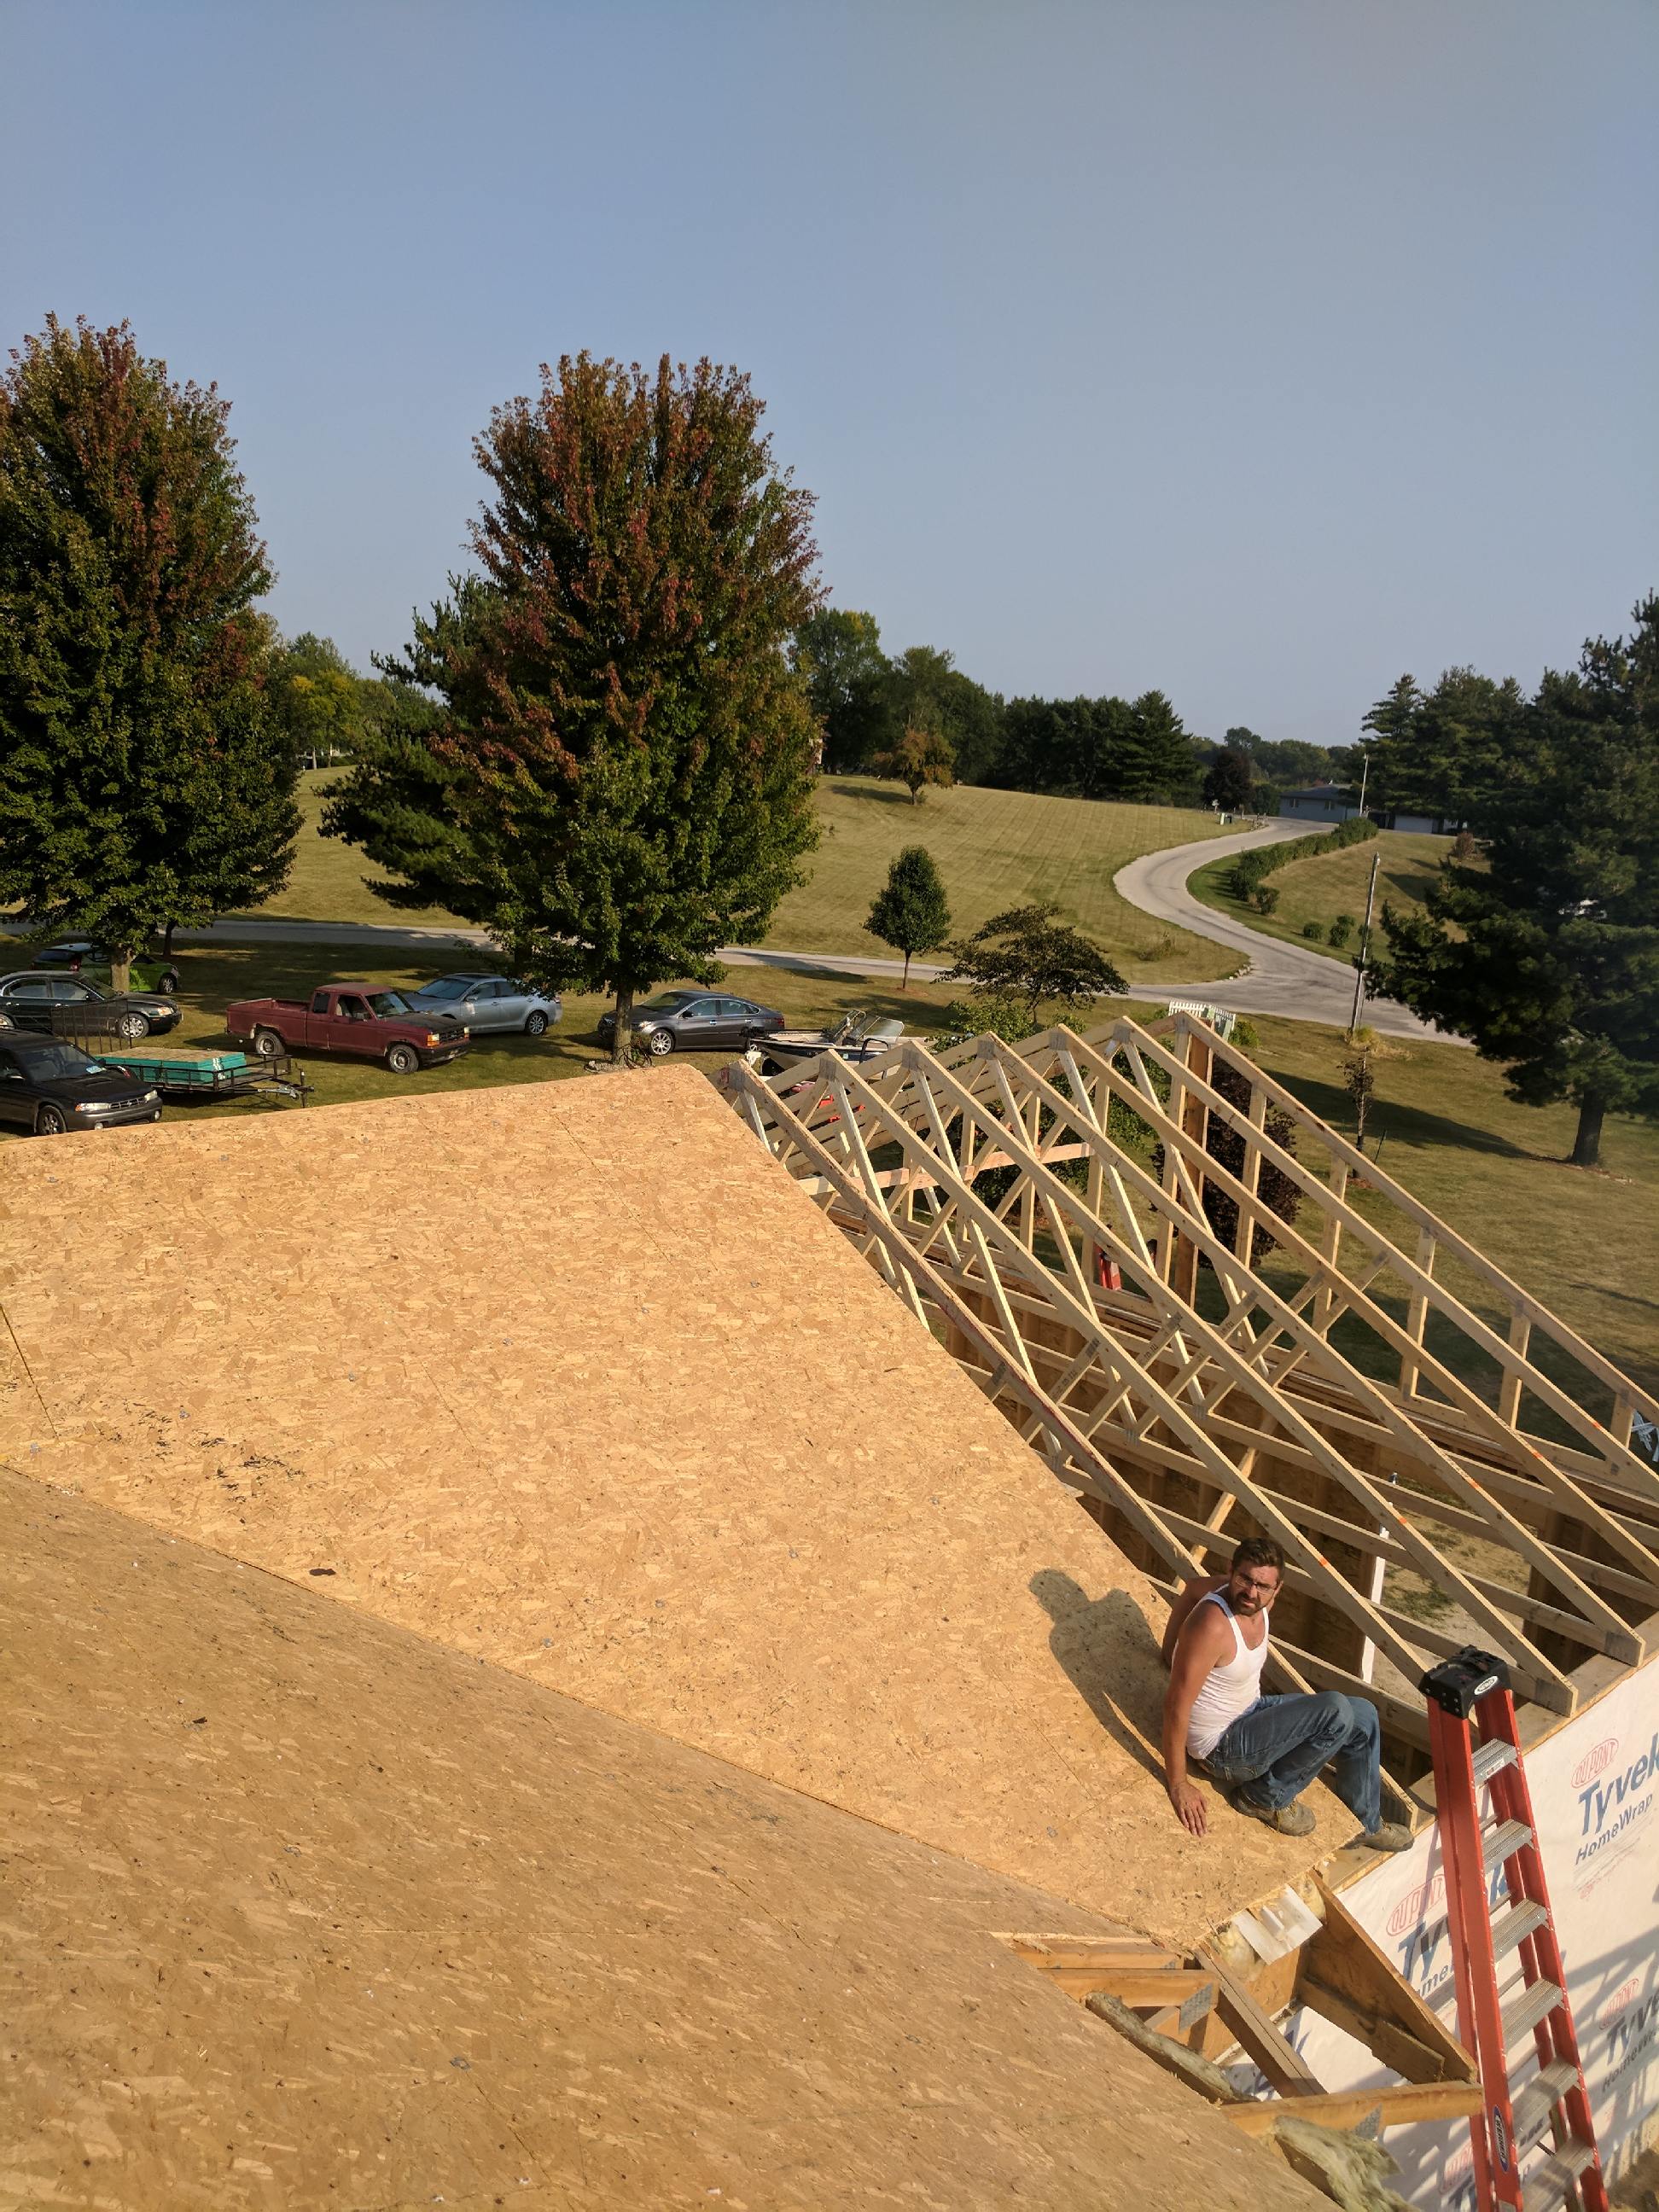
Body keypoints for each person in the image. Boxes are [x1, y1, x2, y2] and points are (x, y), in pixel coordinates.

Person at [1161, 1535, 1410, 1850]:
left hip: (1250, 1712)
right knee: (1335, 1711)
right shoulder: (1213, 1625)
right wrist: (1179, 1784)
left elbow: (1193, 1588)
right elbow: (1175, 1706)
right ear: (1231, 1571)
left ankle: (1365, 1824)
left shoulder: (1258, 1601)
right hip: (1221, 1748)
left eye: (1263, 1586)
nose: (1251, 1592)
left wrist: (1168, 1653)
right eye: (1244, 1579)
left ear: (1277, 1588)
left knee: (1363, 1714)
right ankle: (1264, 1797)